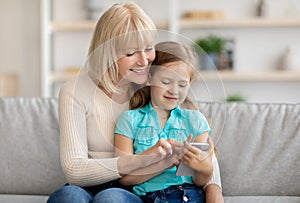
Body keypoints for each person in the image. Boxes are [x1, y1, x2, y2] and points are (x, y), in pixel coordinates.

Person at [47, 2, 223, 203]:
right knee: (67, 196)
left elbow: (196, 139)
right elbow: (74, 170)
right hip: (91, 183)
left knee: (110, 198)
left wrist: (213, 190)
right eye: (130, 53)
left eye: (148, 48)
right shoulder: (75, 91)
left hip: (131, 189)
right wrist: (142, 160)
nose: (144, 61)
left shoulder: (155, 82)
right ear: (107, 54)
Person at [114, 41, 218, 203]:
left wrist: (205, 169)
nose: (174, 91)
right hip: (148, 197)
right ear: (149, 78)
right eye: (166, 82)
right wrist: (164, 163)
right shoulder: (129, 119)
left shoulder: (195, 120)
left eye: (182, 84)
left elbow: (200, 180)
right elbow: (124, 179)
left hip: (189, 195)